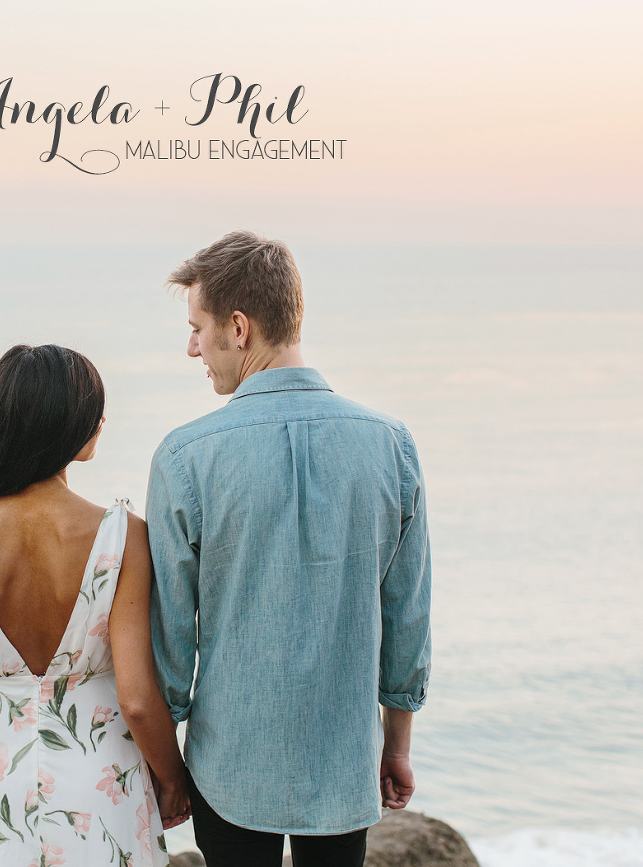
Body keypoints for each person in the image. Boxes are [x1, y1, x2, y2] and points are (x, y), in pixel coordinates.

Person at [146, 231, 433, 867]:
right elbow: (406, 614)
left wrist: (165, 770)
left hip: (228, 768)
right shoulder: (390, 445)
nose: (192, 346)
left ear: (239, 327)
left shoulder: (185, 457)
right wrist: (397, 746)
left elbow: (170, 640)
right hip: (343, 765)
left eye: (198, 328)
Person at [0, 344, 190, 867]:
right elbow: (136, 699)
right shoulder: (120, 535)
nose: (103, 419)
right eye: (94, 407)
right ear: (61, 422)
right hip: (102, 789)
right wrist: (174, 780)